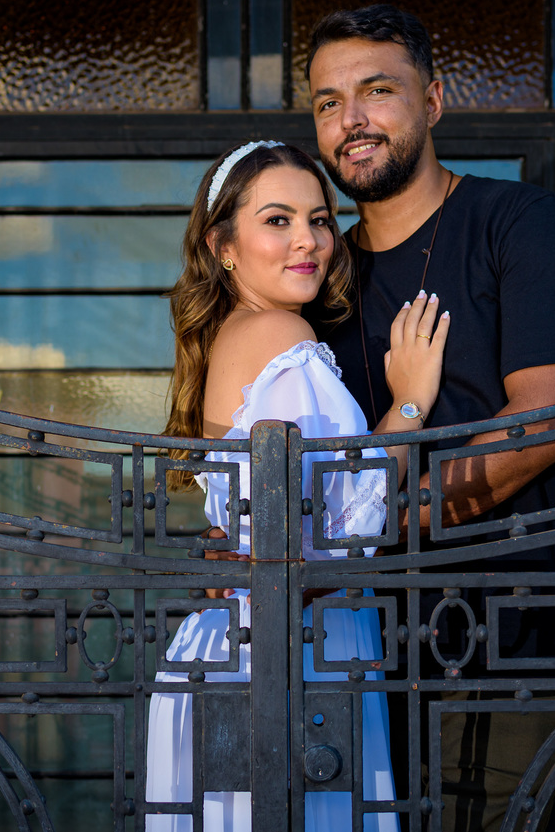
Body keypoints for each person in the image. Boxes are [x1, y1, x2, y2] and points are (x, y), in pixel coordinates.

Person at [305, 5, 555, 832]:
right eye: (329, 102)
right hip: (360, 641)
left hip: (520, 625)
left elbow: (547, 421)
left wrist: (374, 527)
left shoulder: (521, 222)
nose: (352, 120)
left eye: (376, 91)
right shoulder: (317, 275)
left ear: (433, 101)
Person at [144, 140, 450, 831]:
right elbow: (335, 527)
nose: (309, 241)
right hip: (290, 650)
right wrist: (409, 404)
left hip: (245, 647)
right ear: (223, 245)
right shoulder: (282, 333)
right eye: (277, 220)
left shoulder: (234, 333)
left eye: (318, 218)